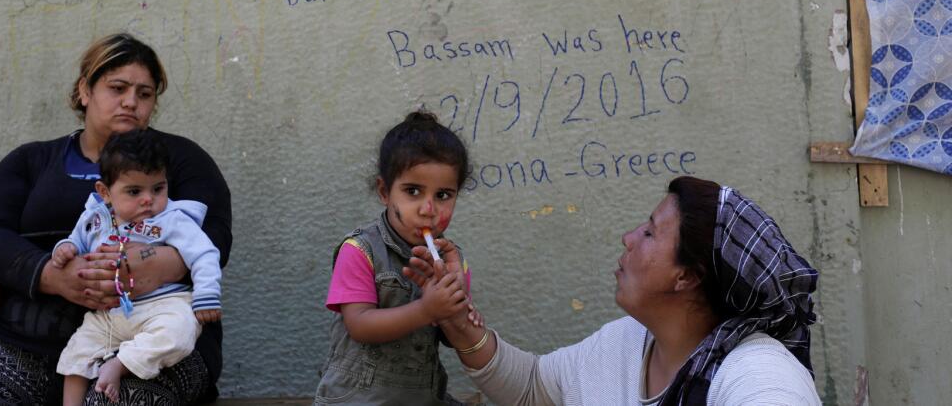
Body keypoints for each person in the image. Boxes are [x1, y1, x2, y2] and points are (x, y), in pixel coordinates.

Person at [0, 33, 232, 406]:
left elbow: (215, 237)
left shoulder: (182, 159)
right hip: (26, 338)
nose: (131, 102)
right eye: (118, 87)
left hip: (150, 336)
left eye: (144, 94)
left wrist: (142, 267)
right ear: (84, 90)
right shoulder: (29, 162)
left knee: (118, 402)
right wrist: (53, 275)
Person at [404, 176, 822, 405]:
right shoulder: (626, 343)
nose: (628, 238)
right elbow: (534, 387)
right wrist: (458, 323)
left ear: (687, 277)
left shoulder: (760, 376)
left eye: (650, 232)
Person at [314, 111, 477, 406]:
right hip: (359, 399)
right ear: (384, 192)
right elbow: (359, 325)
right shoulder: (360, 250)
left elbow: (455, 340)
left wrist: (458, 314)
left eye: (443, 195)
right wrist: (426, 310)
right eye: (413, 191)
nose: (428, 209)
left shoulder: (451, 259)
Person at [56, 129, 222, 404]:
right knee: (76, 352)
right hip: (108, 315)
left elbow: (203, 252)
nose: (148, 199)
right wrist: (65, 249)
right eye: (134, 191)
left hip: (162, 304)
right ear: (105, 192)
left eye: (158, 188)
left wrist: (206, 294)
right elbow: (77, 241)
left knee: (179, 332)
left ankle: (120, 365)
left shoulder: (172, 219)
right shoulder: (95, 218)